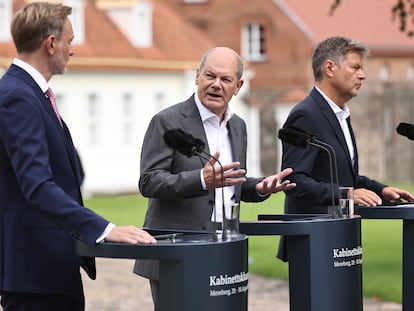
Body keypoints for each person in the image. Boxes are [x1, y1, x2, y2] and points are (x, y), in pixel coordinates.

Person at [0, 2, 156, 311]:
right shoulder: (18, 96)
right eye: (71, 41)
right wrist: (105, 229)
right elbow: (38, 187)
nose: (73, 49)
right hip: (35, 275)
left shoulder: (29, 93)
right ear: (51, 43)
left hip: (48, 270)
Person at [133, 46, 296, 310]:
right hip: (177, 252)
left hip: (225, 251)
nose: (216, 85)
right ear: (197, 76)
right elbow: (149, 181)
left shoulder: (238, 126)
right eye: (210, 76)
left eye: (225, 79)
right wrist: (200, 179)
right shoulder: (167, 121)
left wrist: (261, 187)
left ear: (238, 86)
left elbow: (229, 183)